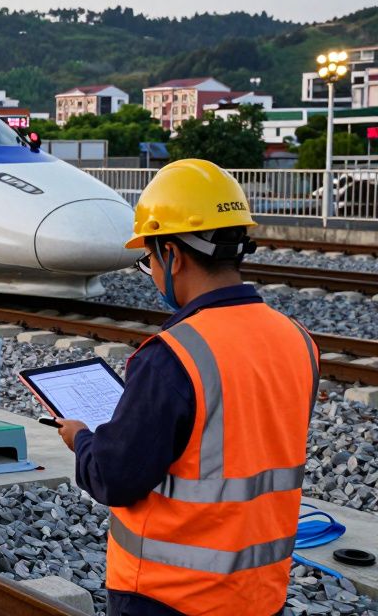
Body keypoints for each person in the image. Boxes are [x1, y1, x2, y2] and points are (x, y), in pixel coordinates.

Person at [53, 159, 318, 616]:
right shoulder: (298, 339)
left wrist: (81, 439)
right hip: (259, 590)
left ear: (172, 253)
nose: (153, 271)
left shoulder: (173, 355)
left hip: (171, 595)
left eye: (148, 259)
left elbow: (115, 477)